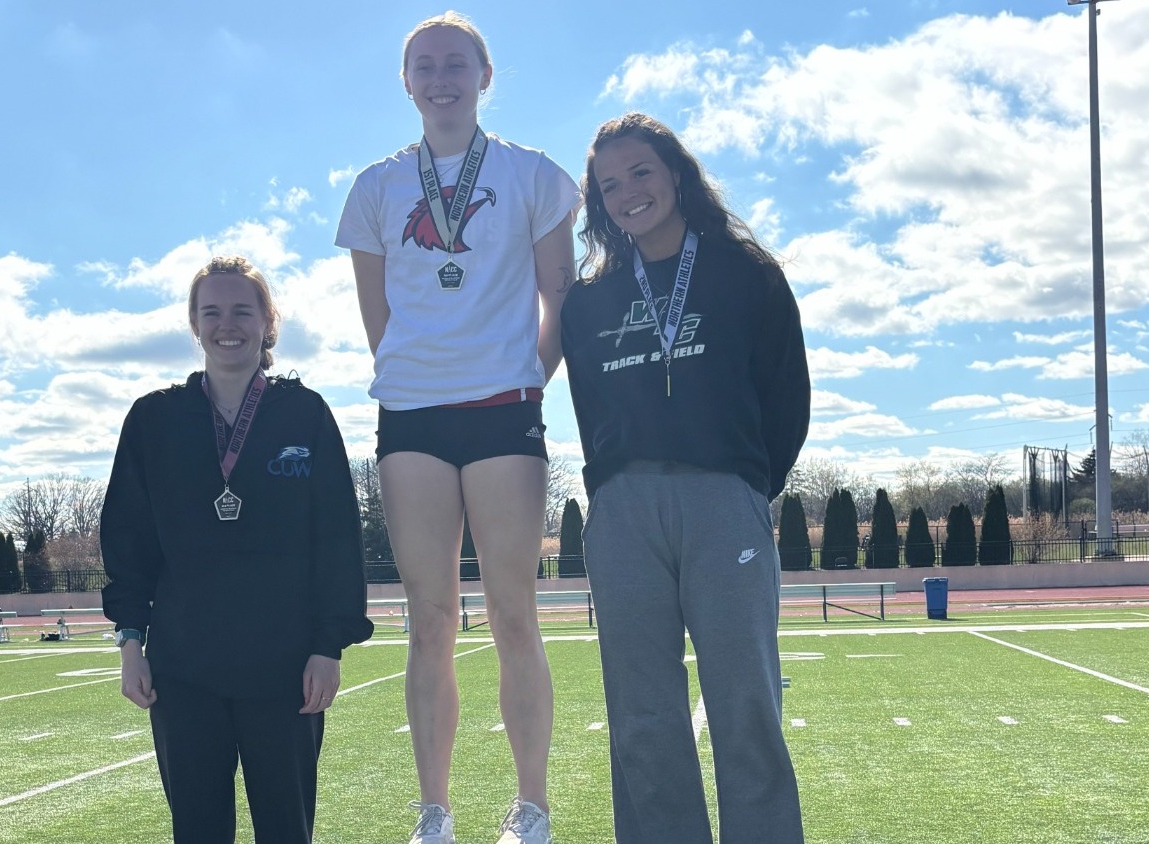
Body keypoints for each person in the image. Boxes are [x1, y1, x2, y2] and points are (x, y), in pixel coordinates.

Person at [335, 12, 578, 844]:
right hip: (411, 417)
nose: (441, 79)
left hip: (504, 411)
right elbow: (379, 318)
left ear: (485, 75)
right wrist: (424, 377)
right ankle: (434, 811)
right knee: (430, 618)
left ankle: (532, 805)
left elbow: (560, 303)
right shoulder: (375, 187)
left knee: (514, 612)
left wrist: (519, 382)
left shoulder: (533, 174)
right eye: (425, 66)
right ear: (406, 82)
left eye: (456, 64)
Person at [561, 112, 810, 844]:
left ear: (675, 174)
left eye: (640, 172)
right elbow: (589, 410)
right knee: (641, 713)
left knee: (745, 702)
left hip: (724, 501)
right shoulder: (589, 300)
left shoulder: (747, 273)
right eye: (609, 185)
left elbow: (786, 396)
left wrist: (746, 487)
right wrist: (614, 489)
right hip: (624, 510)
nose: (627, 192)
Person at [100, 256, 374, 844]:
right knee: (198, 831)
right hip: (184, 667)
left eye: (243, 311)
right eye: (212, 312)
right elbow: (128, 539)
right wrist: (130, 642)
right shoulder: (153, 419)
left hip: (286, 665)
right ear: (194, 325)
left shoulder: (305, 414)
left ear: (268, 322)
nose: (228, 325)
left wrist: (328, 647)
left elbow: (335, 537)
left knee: (286, 830)